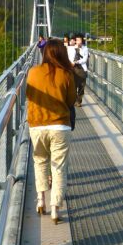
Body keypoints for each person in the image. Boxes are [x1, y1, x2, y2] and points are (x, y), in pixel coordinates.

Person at [26, 39, 76, 224]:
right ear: (62, 53)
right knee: (59, 167)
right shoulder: (67, 74)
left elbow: (29, 95)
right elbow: (70, 101)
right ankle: (55, 209)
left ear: (44, 53)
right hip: (60, 126)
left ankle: (41, 200)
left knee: (40, 161)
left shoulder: (32, 72)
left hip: (37, 124)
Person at [71, 33, 89, 107]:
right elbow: (70, 58)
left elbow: (85, 59)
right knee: (74, 86)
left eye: (79, 39)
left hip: (82, 70)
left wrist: (77, 62)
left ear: (82, 40)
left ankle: (79, 101)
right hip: (74, 69)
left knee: (82, 87)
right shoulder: (72, 48)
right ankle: (74, 100)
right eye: (77, 40)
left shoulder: (85, 48)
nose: (78, 41)